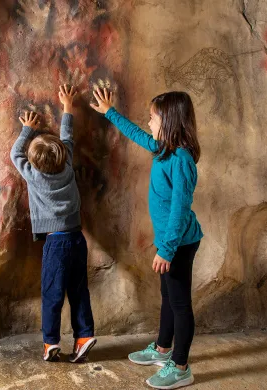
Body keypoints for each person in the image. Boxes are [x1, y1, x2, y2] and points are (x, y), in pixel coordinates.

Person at [91, 87, 203, 389]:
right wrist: (109, 112)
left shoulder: (181, 160)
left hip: (179, 242)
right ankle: (163, 349)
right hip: (171, 240)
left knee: (180, 304)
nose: (149, 123)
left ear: (169, 122)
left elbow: (180, 210)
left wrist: (166, 250)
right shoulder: (162, 148)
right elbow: (138, 135)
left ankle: (181, 367)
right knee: (168, 297)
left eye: (153, 118)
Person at [10, 85, 96, 363]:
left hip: (56, 243)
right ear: (62, 153)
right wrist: (67, 104)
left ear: (33, 164)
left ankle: (51, 342)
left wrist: (27, 129)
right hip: (77, 239)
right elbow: (67, 135)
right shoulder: (68, 163)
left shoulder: (33, 175)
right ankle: (84, 336)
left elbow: (15, 155)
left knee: (52, 294)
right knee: (79, 290)